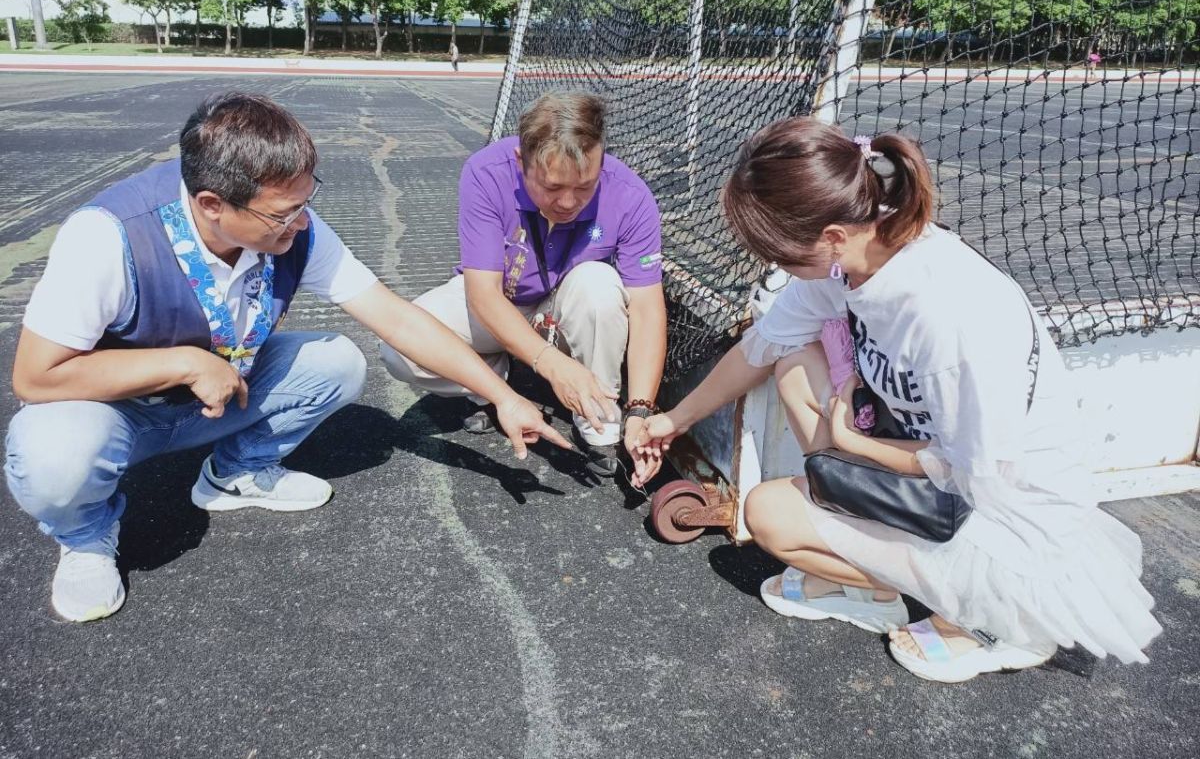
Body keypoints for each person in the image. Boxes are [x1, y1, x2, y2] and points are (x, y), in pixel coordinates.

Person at [4, 92, 566, 623]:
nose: (300, 224)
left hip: (226, 395)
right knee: (53, 454)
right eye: (283, 214)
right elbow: (34, 376)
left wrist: (503, 396)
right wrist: (184, 363)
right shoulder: (108, 238)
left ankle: (234, 474)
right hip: (116, 412)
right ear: (211, 204)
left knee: (339, 362)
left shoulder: (294, 226)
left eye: (305, 202)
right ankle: (85, 539)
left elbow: (394, 317)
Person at [634, 118, 1161, 682]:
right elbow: (762, 346)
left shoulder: (946, 315)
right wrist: (669, 419)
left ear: (832, 236)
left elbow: (972, 471)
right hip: (927, 466)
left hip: (1001, 515)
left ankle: (998, 621)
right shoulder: (852, 258)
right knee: (793, 361)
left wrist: (851, 443)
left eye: (781, 254)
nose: (777, 267)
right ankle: (872, 581)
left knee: (768, 514)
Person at [383, 91, 668, 477]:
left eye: (585, 186)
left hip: (568, 308)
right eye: (552, 187)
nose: (568, 202)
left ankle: (601, 424)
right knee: (401, 349)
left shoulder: (631, 196)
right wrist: (548, 363)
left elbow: (648, 307)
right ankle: (500, 389)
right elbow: (482, 293)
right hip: (505, 300)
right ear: (522, 161)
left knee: (599, 285)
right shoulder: (487, 172)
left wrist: (640, 408)